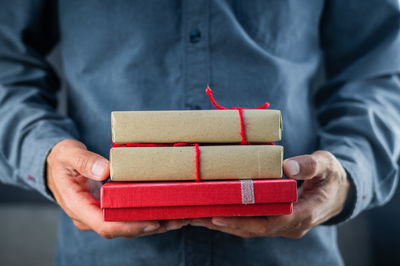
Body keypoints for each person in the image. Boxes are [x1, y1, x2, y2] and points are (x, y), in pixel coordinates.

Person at [0, 1, 399, 265]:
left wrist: (349, 172)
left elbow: (380, 68)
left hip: (288, 246)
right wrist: (45, 152)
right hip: (108, 249)